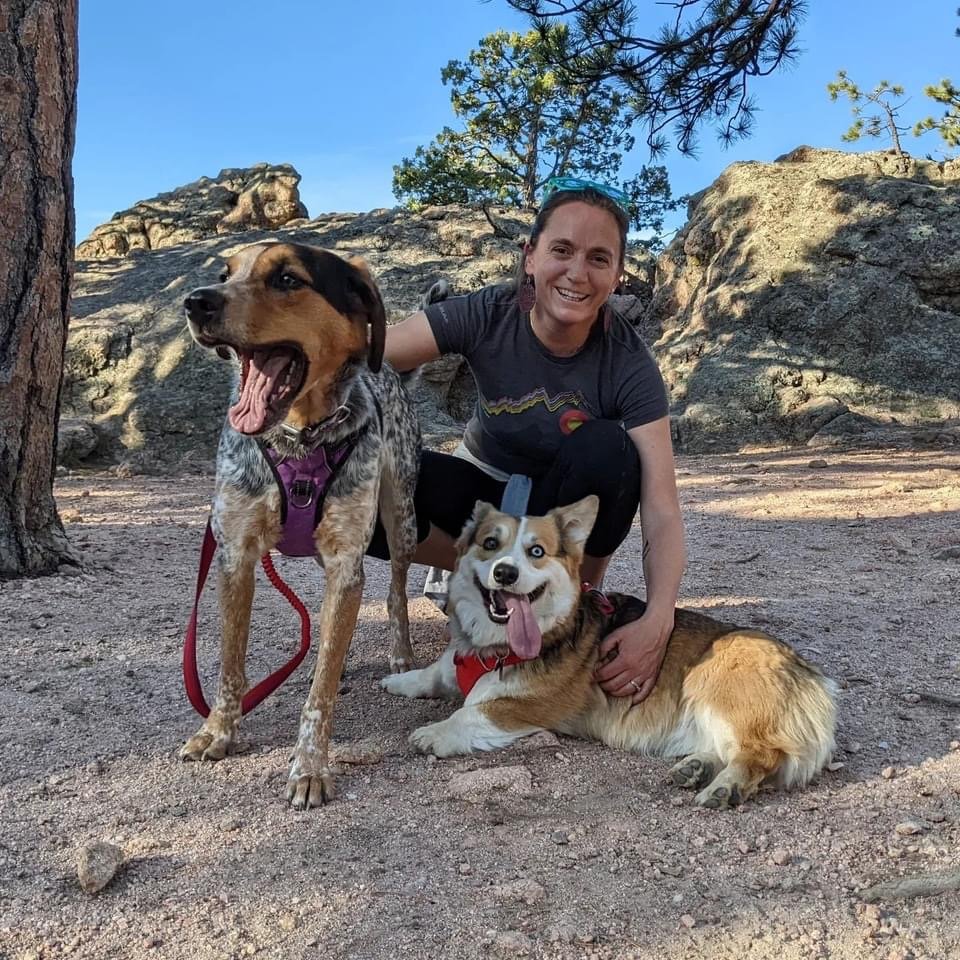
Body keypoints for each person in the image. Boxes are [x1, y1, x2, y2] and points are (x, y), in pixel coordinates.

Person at [371, 176, 686, 704]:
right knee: (377, 489)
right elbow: (369, 355)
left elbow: (662, 509)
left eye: (599, 259)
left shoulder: (629, 363)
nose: (577, 273)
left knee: (611, 449)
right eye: (561, 250)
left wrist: (660, 620)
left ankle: (570, 596)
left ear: (616, 276)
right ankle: (481, 572)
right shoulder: (485, 313)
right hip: (484, 487)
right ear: (531, 256)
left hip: (559, 505)